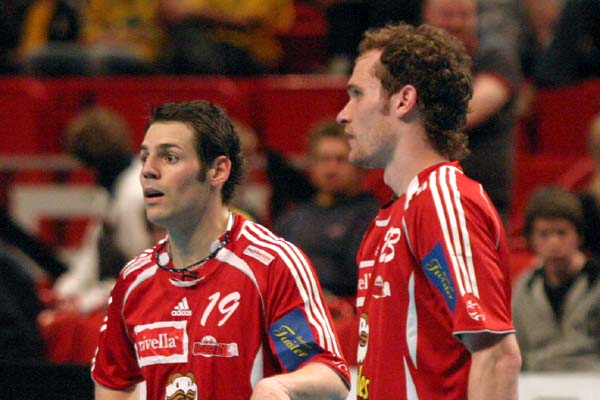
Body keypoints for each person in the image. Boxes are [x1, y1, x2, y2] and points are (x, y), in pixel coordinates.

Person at [92, 100, 350, 399]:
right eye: (145, 157)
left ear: (217, 170)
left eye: (170, 157)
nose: (148, 170)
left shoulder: (271, 265)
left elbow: (330, 375)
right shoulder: (135, 280)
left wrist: (279, 386)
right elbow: (113, 382)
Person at [336, 22, 521, 398]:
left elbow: (497, 354)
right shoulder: (392, 216)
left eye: (357, 94)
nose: (342, 114)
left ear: (403, 100)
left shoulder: (441, 200)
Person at [422, 0, 522, 223]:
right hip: (427, 193)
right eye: (447, 15)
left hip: (483, 197)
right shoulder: (418, 63)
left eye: (464, 15)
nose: (456, 23)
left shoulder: (495, 58)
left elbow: (464, 115)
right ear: (427, 15)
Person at [54, 107, 155, 313]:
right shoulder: (110, 190)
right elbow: (90, 259)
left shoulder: (136, 195)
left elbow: (143, 271)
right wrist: (64, 292)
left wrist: (87, 301)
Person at [274, 120, 379, 298]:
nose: (331, 169)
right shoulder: (292, 219)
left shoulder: (373, 217)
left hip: (346, 308)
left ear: (359, 165)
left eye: (340, 160)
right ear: (311, 165)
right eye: (323, 160)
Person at [513, 186, 600, 371]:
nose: (554, 243)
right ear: (531, 239)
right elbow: (516, 353)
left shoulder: (596, 282)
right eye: (544, 234)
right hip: (536, 381)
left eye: (561, 233)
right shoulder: (522, 289)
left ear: (579, 236)